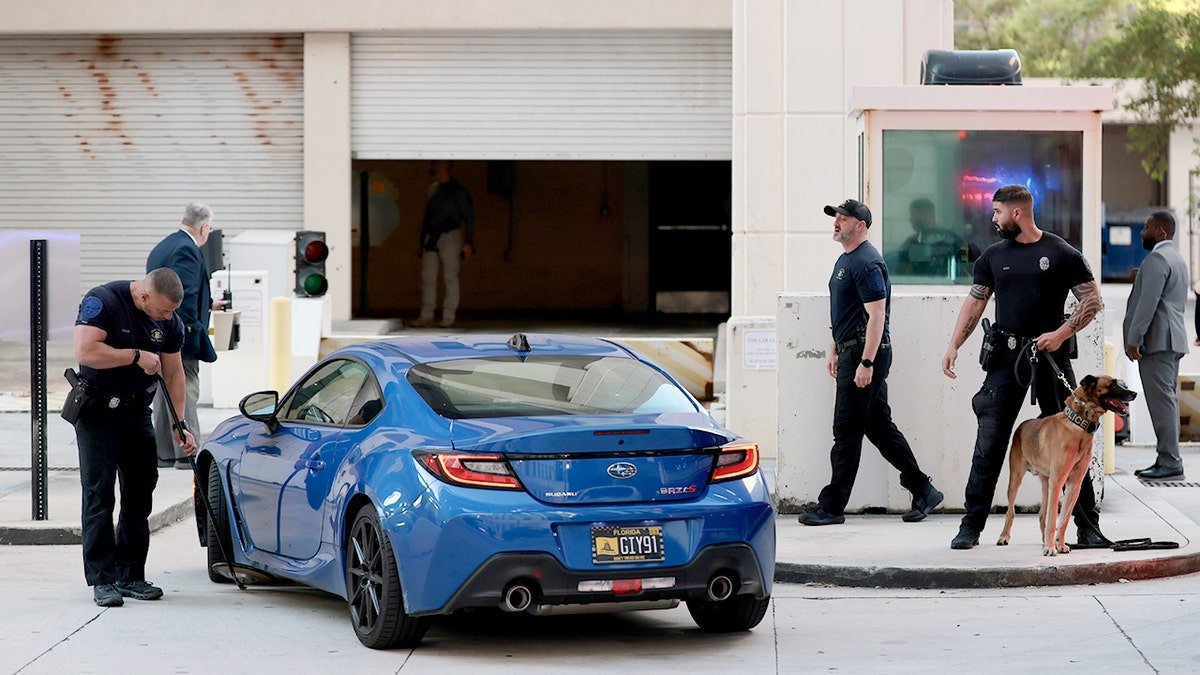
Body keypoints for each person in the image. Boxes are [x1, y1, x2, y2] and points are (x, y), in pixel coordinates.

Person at [941, 185, 1105, 550]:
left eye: (997, 212)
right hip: (1007, 358)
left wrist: (1062, 333)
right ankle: (971, 526)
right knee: (990, 442)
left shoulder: (1062, 253)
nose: (993, 219)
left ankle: (1088, 527)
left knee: (1075, 441)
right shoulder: (993, 256)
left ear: (1017, 213)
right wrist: (954, 344)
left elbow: (1092, 301)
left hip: (1051, 357)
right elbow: (975, 304)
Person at [798, 198, 944, 526]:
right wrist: (834, 346)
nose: (836, 222)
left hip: (865, 353)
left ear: (860, 225)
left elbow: (877, 315)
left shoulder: (868, 262)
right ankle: (923, 489)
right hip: (851, 351)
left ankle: (832, 507)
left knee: (846, 430)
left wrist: (866, 362)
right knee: (878, 427)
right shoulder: (846, 259)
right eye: (835, 217)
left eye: (844, 218)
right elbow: (844, 311)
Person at [72, 268, 197, 607]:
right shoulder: (104, 301)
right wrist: (136, 356)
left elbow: (173, 372)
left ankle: (131, 574)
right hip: (97, 413)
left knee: (140, 492)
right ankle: (103, 579)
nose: (168, 318)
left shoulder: (168, 322)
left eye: (172, 312)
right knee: (99, 494)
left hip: (136, 413)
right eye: (163, 311)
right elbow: (86, 351)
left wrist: (179, 423)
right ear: (144, 296)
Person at [146, 202, 222, 469]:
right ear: (203, 227)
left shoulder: (163, 246)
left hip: (156, 330)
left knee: (163, 389)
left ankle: (165, 453)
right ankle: (187, 454)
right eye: (209, 229)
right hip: (180, 334)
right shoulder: (187, 250)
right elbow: (185, 295)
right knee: (185, 388)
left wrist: (209, 305)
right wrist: (191, 330)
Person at [1125, 211, 1188, 480]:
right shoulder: (1176, 258)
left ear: (1161, 231)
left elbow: (1147, 305)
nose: (1142, 231)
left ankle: (1170, 462)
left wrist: (1133, 339)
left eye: (1147, 227)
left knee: (1162, 404)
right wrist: (1142, 276)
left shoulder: (1157, 258)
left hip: (1157, 341)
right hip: (1172, 340)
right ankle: (1168, 459)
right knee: (1168, 402)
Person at [412, 160, 475, 328]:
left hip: (450, 234)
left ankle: (448, 315)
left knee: (450, 276)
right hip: (432, 235)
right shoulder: (433, 189)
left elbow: (469, 216)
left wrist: (469, 241)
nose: (433, 168)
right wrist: (421, 242)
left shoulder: (459, 190)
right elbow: (427, 216)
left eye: (436, 165)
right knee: (428, 276)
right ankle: (426, 315)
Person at [897, 198, 963, 278]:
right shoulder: (955, 238)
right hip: (951, 288)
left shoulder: (912, 242)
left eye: (912, 214)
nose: (910, 219)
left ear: (924, 214)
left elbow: (903, 274)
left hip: (923, 288)